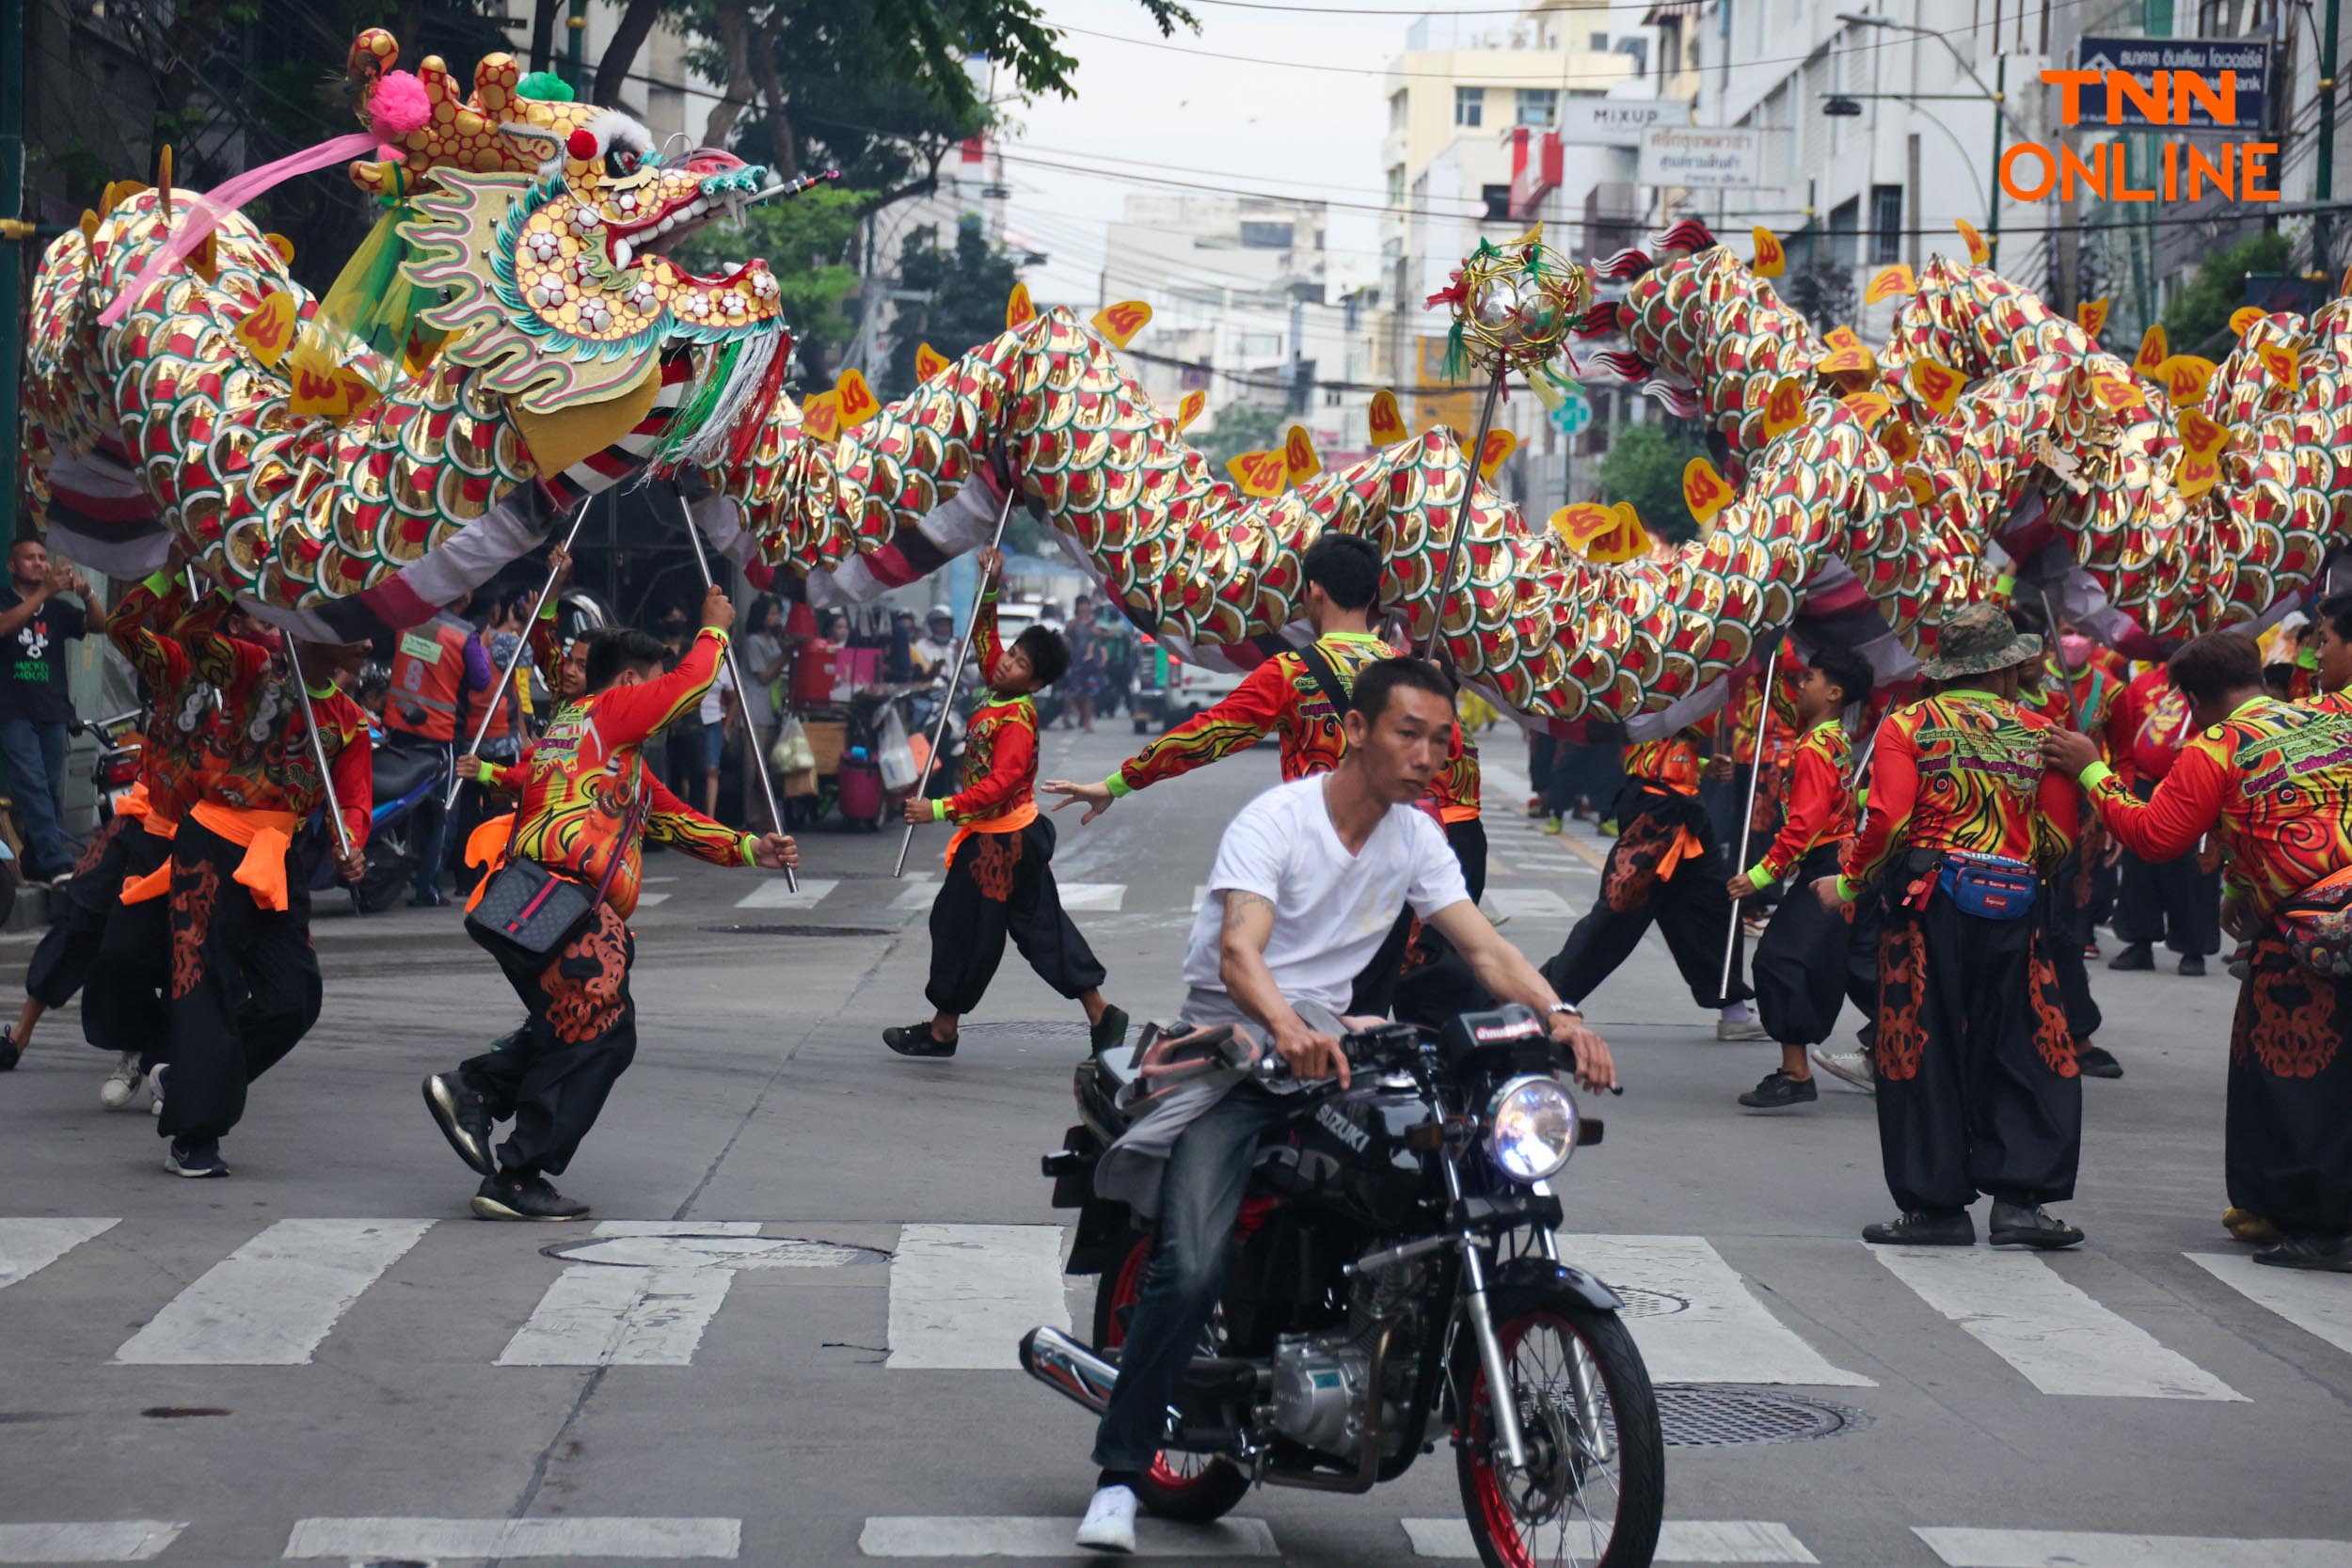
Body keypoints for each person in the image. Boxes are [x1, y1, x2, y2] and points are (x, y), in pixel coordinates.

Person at [1073, 657, 1618, 1554]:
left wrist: (1560, 1017)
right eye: (1410, 732)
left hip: (1339, 1051)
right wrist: (1285, 1025)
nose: (1428, 755)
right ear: (1357, 729)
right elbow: (1242, 955)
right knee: (1195, 1261)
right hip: (1236, 1060)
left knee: (1439, 1174)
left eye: (1442, 738)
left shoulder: (1414, 836)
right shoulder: (1276, 821)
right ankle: (1121, 1476)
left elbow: (1482, 950)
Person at [422, 594, 799, 1221]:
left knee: (579, 1025)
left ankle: (476, 1090)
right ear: (629, 682)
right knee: (599, 1033)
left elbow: (676, 822)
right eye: (648, 683)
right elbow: (689, 687)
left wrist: (752, 848)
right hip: (567, 905)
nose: (661, 704)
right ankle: (516, 1173)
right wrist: (713, 628)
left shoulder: (585, 737)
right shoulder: (610, 711)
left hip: (532, 899)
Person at [2044, 633, 2352, 1272]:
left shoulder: (2215, 748)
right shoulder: (2332, 716)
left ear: (2190, 699)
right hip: (2316, 914)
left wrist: (2091, 769)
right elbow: (2293, 805)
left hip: (2311, 936)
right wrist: (2240, 882)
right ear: (2256, 673)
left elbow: (2155, 835)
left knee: (2300, 1079)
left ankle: (2323, 1224)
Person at [1820, 603, 2084, 1249]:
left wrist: (1850, 883)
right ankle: (2020, 1202)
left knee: (1920, 1046)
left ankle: (1935, 1207)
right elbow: (2058, 836)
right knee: (2025, 1046)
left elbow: (1886, 819)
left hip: (1929, 904)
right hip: (2015, 907)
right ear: (2001, 669)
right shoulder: (2040, 729)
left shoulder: (1908, 724)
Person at [158, 596, 373, 1179]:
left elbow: (352, 800)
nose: (370, 642)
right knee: (205, 988)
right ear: (314, 631)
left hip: (279, 860)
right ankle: (195, 1132)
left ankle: (191, 1081)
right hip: (211, 848)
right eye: (355, 629)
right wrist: (213, 576)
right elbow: (189, 632)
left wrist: (349, 843)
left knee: (294, 1001)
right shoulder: (255, 668)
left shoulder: (351, 721)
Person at [888, 550, 1127, 1060]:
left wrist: (940, 808)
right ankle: (1101, 1013)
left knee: (961, 925)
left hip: (1000, 843)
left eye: (1019, 663)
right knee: (1042, 927)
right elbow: (983, 640)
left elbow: (1001, 783)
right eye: (1011, 653)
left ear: (1035, 683)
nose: (1005, 661)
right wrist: (991, 585)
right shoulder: (999, 689)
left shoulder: (1016, 719)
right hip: (1014, 838)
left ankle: (943, 1029)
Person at [1041, 532, 1393, 823]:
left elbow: (1207, 735)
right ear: (1373, 595)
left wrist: (1118, 784)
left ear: (1314, 590)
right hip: (1395, 858)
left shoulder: (1290, 672)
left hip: (1318, 848)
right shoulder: (1413, 677)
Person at [1539, 718, 1764, 1040]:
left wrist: (1699, 765)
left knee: (1714, 903)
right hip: (1655, 809)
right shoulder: (1656, 677)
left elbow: (1674, 742)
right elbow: (1655, 731)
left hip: (1685, 805)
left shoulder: (1696, 679)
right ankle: (1546, 999)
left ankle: (1733, 1009)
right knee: (1618, 915)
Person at [1726, 649, 1878, 1110]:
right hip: (1845, 864)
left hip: (1828, 871)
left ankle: (1796, 1074)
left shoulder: (1816, 747)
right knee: (1866, 972)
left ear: (1833, 693)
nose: (1800, 684)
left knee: (1779, 961)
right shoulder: (1833, 739)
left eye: (1810, 678)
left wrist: (1759, 875)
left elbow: (1805, 824)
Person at [383, 589, 490, 906]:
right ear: (466, 597)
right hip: (441, 737)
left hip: (398, 728)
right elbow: (482, 680)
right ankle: (427, 887)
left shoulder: (408, 622)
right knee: (444, 813)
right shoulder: (464, 635)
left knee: (402, 805)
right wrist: (482, 648)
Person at [0, 537, 92, 883]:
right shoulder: (6, 599)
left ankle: (39, 863)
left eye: (42, 558)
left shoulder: (57, 610)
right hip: (12, 710)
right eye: (30, 558)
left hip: (53, 710)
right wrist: (45, 593)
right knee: (32, 784)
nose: (39, 563)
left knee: (51, 788)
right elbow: (4, 626)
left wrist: (89, 595)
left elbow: (96, 625)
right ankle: (57, 862)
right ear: (12, 566)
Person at [1063, 596, 1104, 733]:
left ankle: (1087, 722)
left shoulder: (1096, 622)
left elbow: (1104, 636)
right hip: (1076, 662)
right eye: (1081, 605)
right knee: (1075, 693)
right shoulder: (1073, 624)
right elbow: (1066, 637)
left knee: (1090, 694)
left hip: (1092, 663)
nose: (1084, 608)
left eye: (1086, 605)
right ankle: (1076, 716)